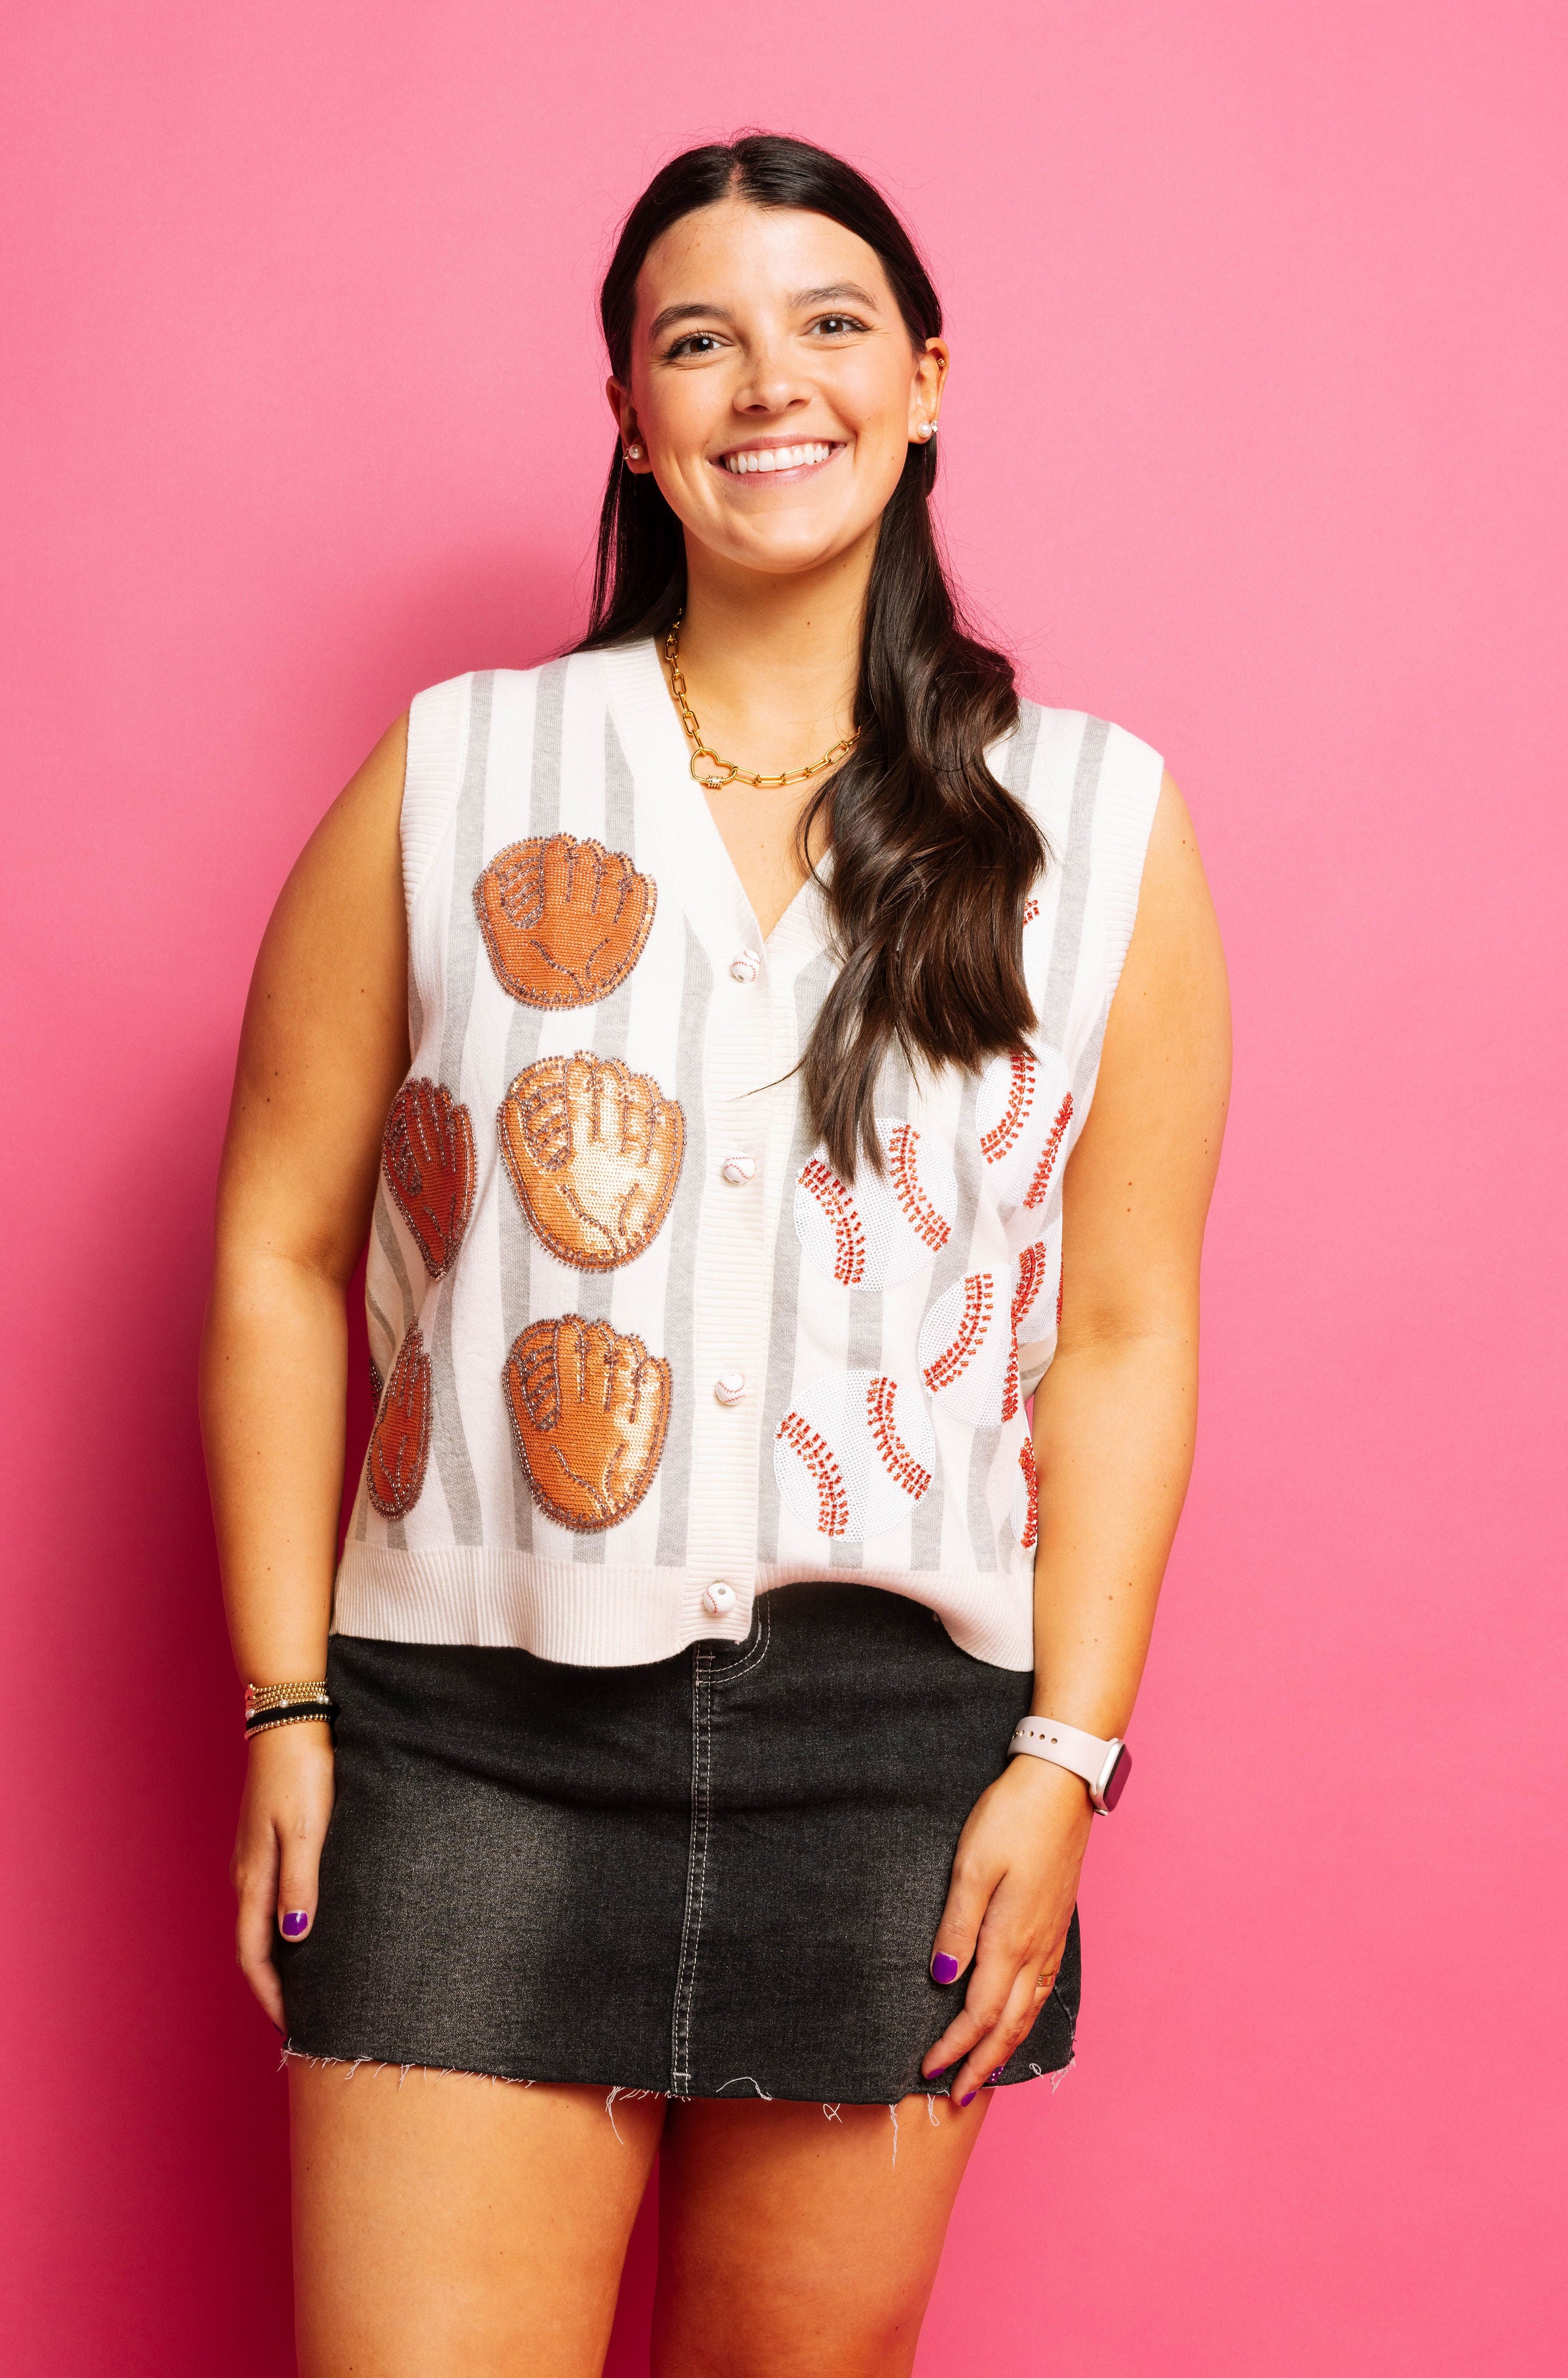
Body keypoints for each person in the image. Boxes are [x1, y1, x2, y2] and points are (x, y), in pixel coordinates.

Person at [202, 132, 1230, 2378]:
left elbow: (1125, 1331)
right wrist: (288, 1694)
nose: (770, 382)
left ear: (927, 378)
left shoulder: (1100, 823)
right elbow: (281, 1249)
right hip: (464, 1735)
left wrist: (1067, 1755)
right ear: (632, 417)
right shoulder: (457, 769)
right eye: (699, 338)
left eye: (830, 322)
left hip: (894, 1761)